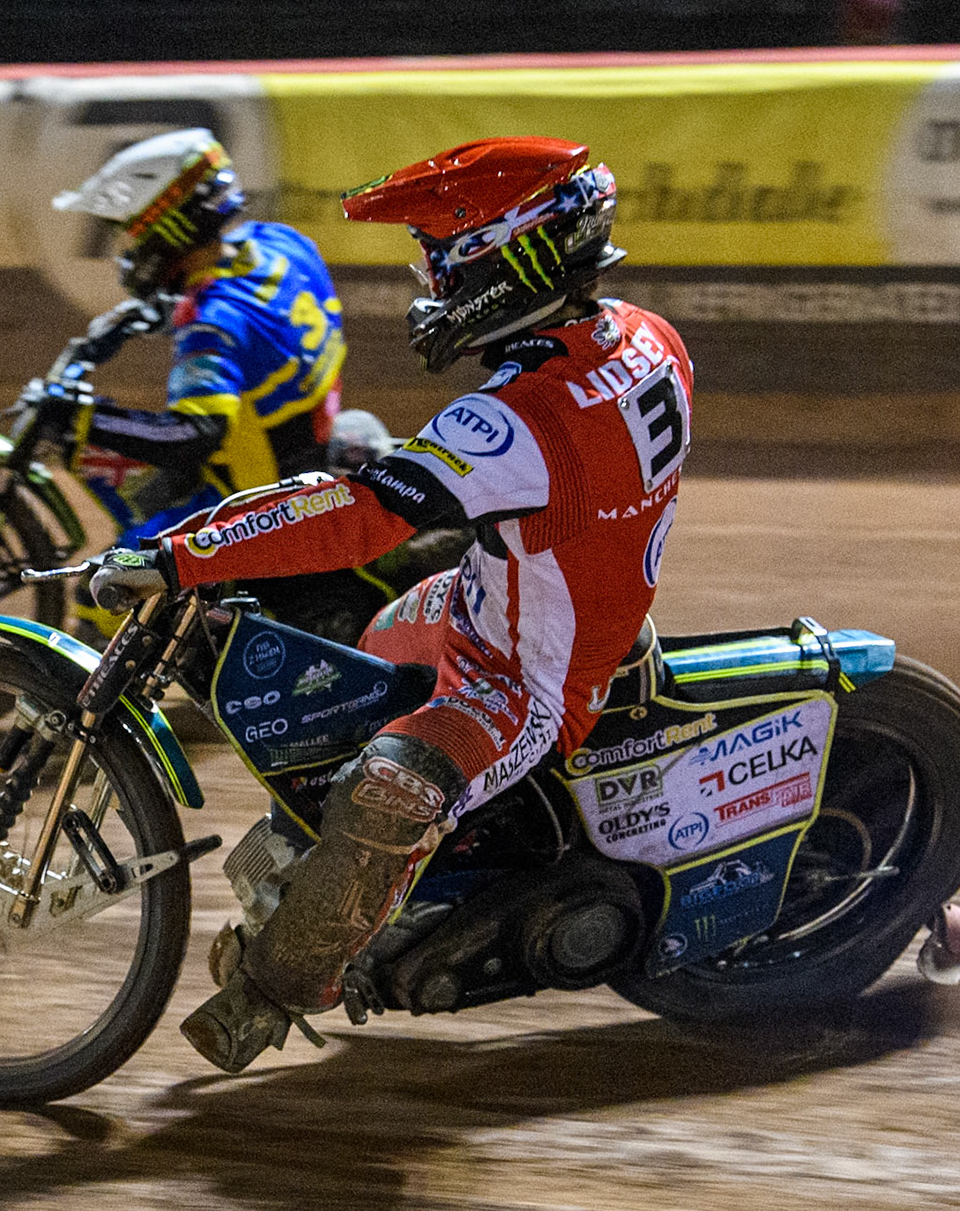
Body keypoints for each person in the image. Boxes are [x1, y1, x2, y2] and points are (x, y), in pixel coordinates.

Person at [90, 136, 695, 1072]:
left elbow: (360, 518)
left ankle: (274, 991)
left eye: (440, 257)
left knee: (379, 790)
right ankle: (422, 868)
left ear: (502, 258)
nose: (430, 280)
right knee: (354, 669)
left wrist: (184, 555)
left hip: (528, 683)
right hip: (498, 602)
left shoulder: (517, 418)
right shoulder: (648, 335)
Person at [45, 128, 348, 636]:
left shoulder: (212, 327)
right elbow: (259, 324)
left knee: (99, 589)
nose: (128, 250)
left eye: (134, 234)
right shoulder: (282, 244)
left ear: (171, 229)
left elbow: (191, 436)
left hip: (250, 501)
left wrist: (82, 421)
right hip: (307, 443)